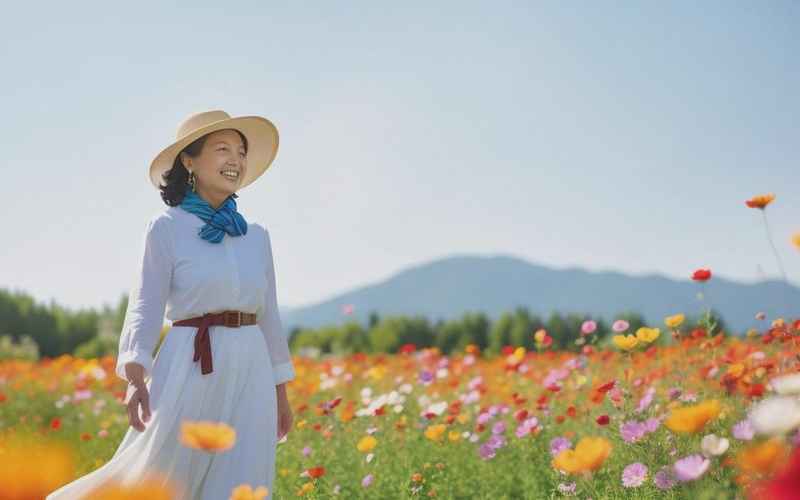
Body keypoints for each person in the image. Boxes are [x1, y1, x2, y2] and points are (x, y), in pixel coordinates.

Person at [46, 110, 296, 499]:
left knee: (244, 476)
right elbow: (145, 305)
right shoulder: (167, 227)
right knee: (163, 472)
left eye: (242, 151)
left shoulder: (256, 237)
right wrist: (134, 375)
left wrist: (281, 391)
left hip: (252, 367)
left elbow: (270, 317)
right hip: (191, 362)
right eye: (223, 149)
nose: (236, 160)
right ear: (189, 160)